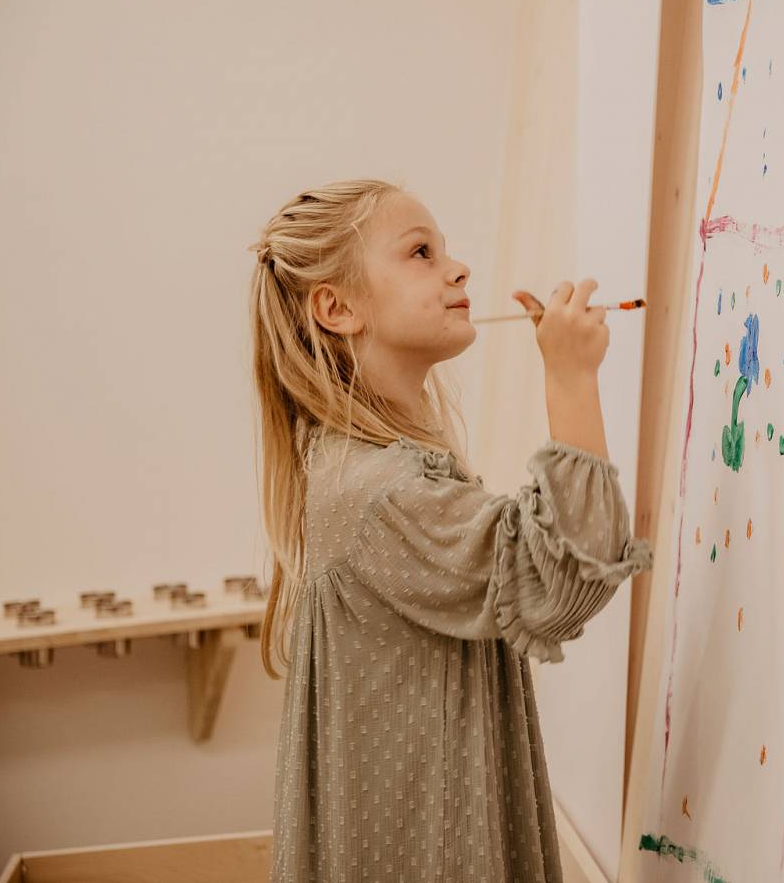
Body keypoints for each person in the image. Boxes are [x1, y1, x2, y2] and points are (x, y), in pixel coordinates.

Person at [246, 178, 651, 881]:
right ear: (336, 308)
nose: (457, 269)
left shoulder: (363, 468)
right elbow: (556, 580)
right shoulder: (379, 492)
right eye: (421, 253)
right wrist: (571, 380)